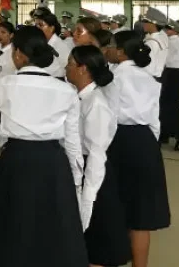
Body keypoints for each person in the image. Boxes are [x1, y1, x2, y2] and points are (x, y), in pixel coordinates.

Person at [0, 26, 86, 267]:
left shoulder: (2, 86)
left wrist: (1, 140)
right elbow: (72, 142)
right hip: (53, 163)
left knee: (14, 226)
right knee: (52, 230)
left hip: (15, 161)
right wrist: (76, 179)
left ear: (18, 54)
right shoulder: (66, 90)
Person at [105, 31, 171, 267]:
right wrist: (148, 145)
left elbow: (109, 117)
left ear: (121, 52)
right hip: (145, 141)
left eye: (112, 46)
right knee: (140, 216)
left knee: (115, 208)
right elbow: (155, 121)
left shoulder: (114, 78)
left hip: (119, 140)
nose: (108, 49)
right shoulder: (150, 77)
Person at [66, 46, 131, 267]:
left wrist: (88, 198)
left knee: (98, 242)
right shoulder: (80, 98)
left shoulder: (96, 103)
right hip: (83, 169)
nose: (66, 68)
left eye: (70, 64)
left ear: (83, 69)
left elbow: (96, 154)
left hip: (95, 176)